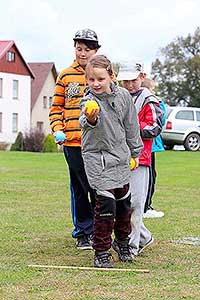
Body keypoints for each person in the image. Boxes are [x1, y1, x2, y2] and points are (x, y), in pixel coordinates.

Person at [79, 55, 143, 268]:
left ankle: (122, 243)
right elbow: (85, 121)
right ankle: (101, 251)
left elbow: (132, 126)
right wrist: (91, 117)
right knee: (105, 207)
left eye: (100, 79)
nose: (95, 84)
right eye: (91, 80)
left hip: (120, 157)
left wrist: (135, 153)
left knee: (124, 205)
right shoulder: (88, 100)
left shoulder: (124, 96)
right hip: (97, 158)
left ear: (111, 77)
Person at [49, 29, 101, 250]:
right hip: (73, 143)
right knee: (79, 187)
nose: (82, 53)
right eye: (79, 49)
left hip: (98, 143)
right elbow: (56, 108)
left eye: (87, 49)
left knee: (98, 187)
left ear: (96, 51)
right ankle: (83, 231)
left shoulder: (104, 74)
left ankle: (101, 230)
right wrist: (57, 128)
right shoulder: (65, 75)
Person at [117, 60, 164, 257]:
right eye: (125, 81)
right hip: (120, 158)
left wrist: (132, 130)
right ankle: (143, 237)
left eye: (133, 80)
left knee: (136, 203)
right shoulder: (119, 98)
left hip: (141, 159)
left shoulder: (149, 100)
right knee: (122, 202)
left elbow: (155, 127)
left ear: (142, 77)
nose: (129, 85)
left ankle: (133, 246)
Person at [142, 78, 167, 218]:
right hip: (148, 148)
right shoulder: (153, 103)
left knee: (151, 175)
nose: (154, 92)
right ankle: (145, 207)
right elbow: (161, 119)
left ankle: (146, 205)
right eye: (152, 89)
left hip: (150, 148)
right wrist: (160, 102)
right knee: (149, 177)